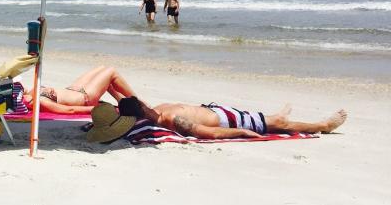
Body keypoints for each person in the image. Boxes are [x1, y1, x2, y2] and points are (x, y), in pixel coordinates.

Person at [117, 95, 347, 139]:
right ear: (141, 108)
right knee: (279, 125)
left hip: (216, 110)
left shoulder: (158, 109)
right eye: (140, 102)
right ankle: (323, 126)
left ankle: (276, 116)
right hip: (227, 121)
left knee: (262, 117)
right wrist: (240, 132)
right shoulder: (170, 120)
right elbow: (207, 132)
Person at [31, 65, 137, 114]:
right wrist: (97, 109)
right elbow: (70, 110)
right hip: (86, 98)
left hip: (74, 89)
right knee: (111, 71)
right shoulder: (38, 102)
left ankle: (121, 101)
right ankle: (138, 103)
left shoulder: (29, 93)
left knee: (102, 68)